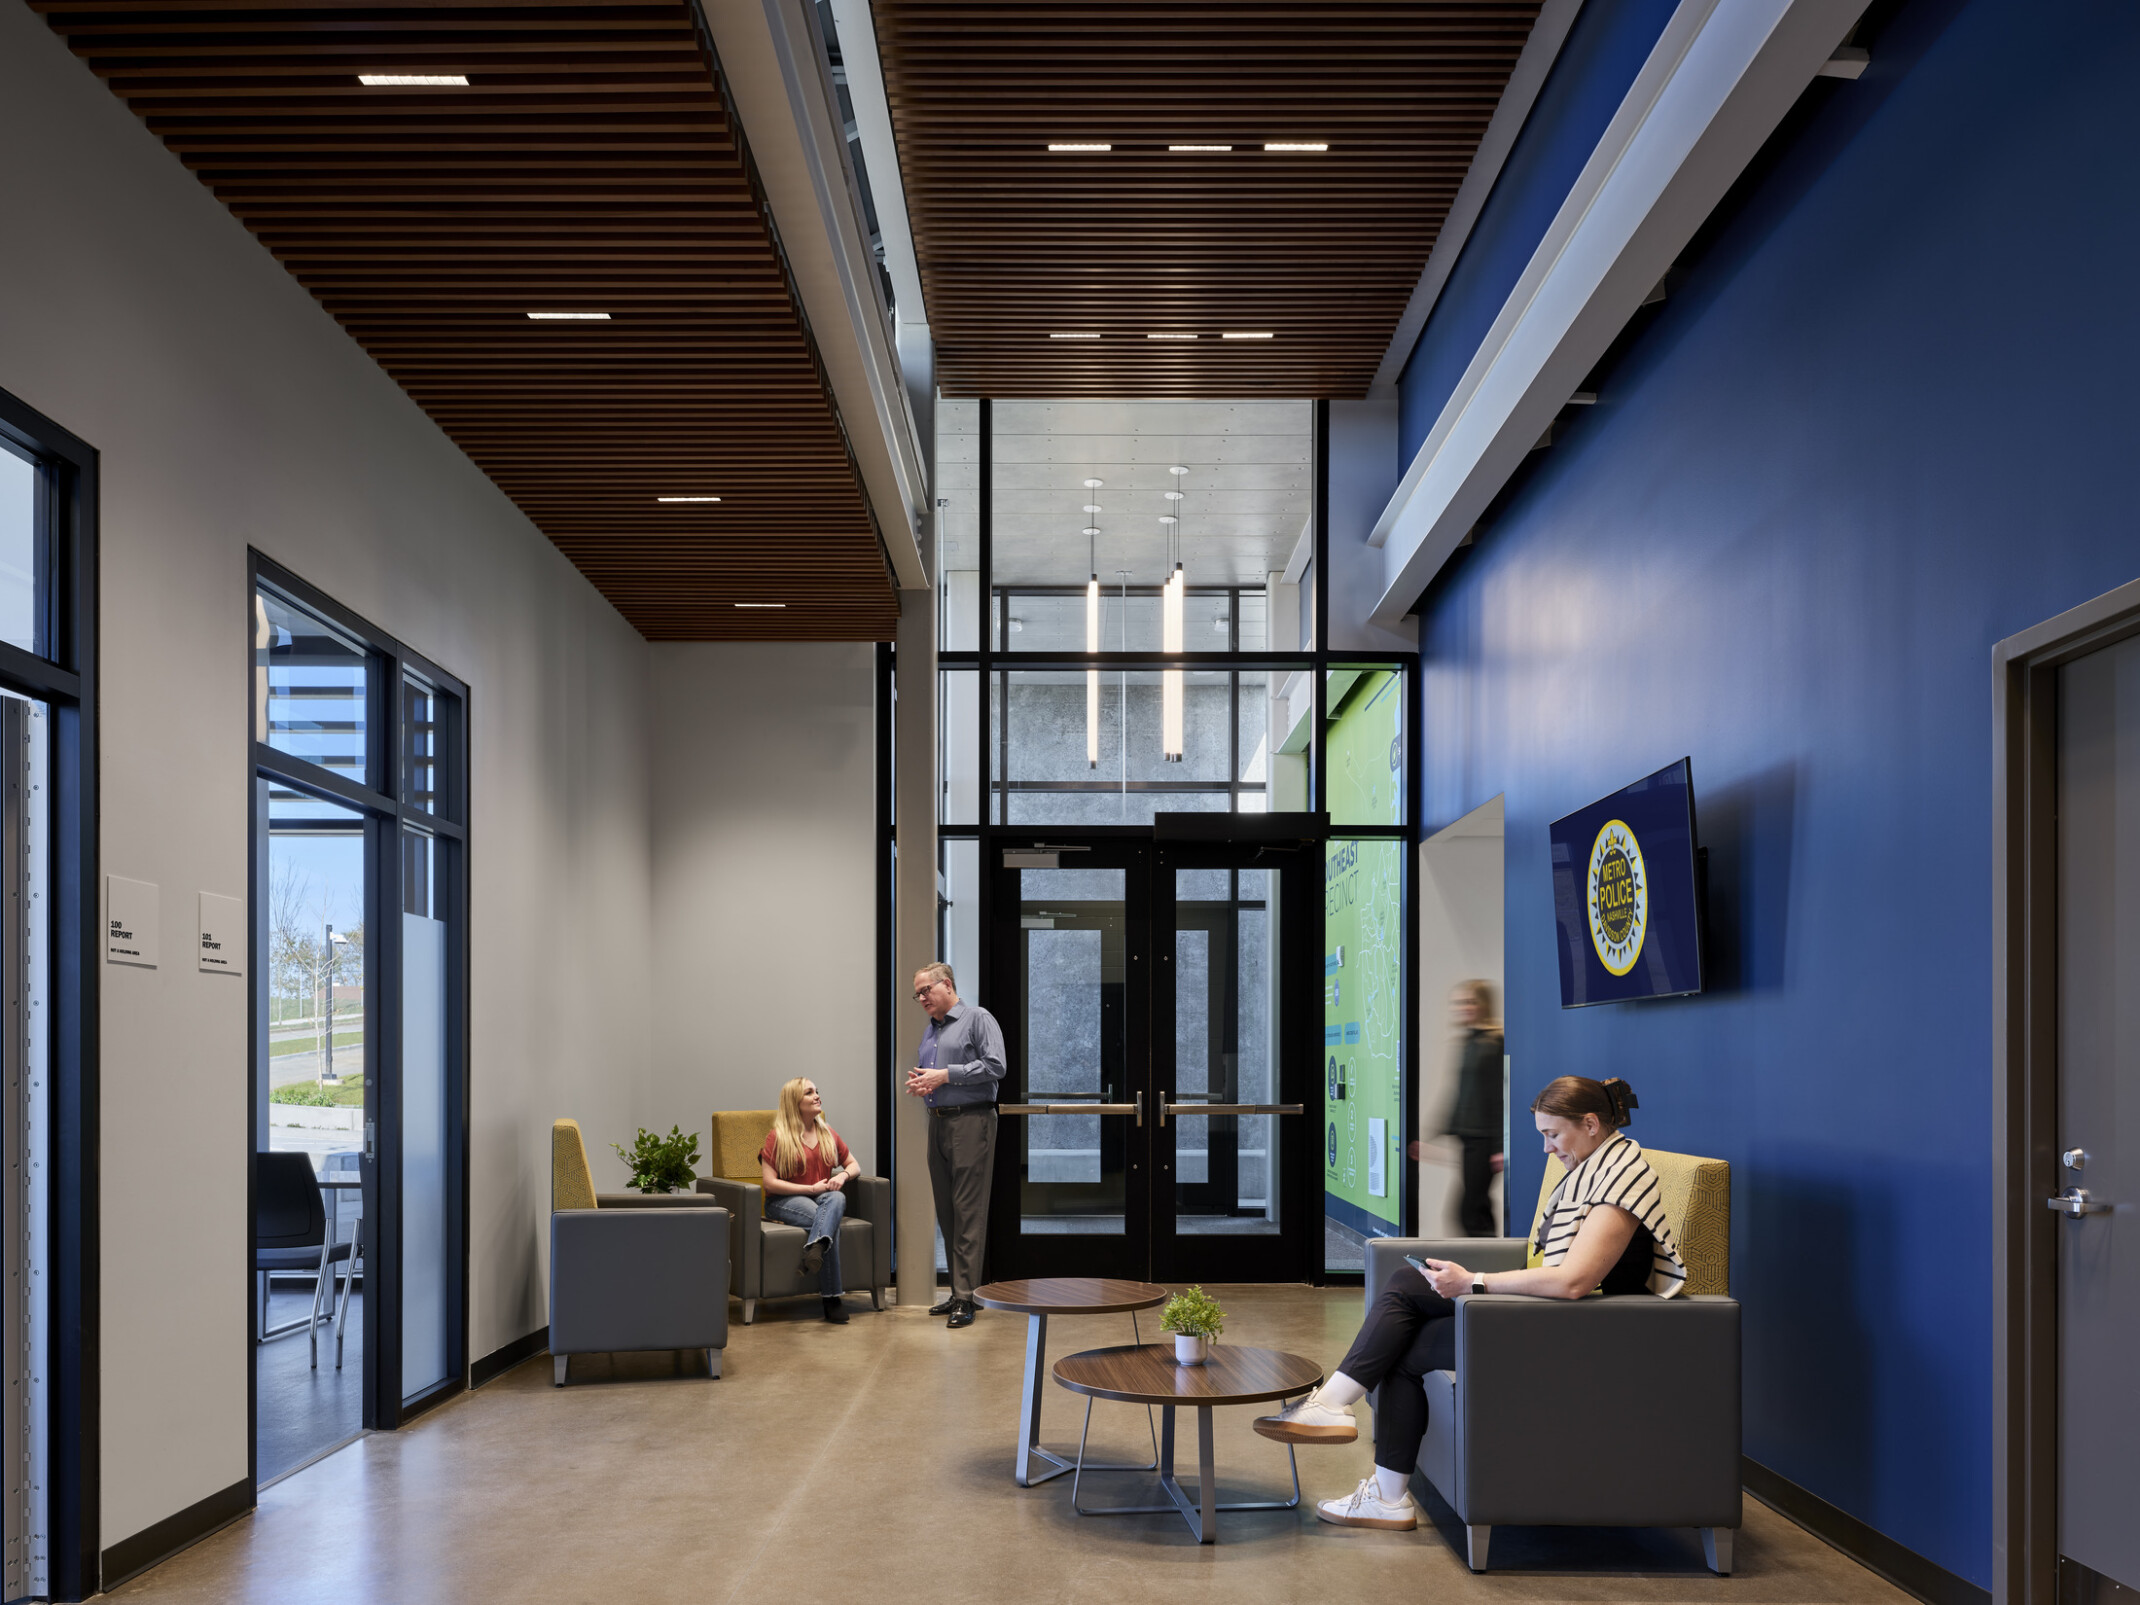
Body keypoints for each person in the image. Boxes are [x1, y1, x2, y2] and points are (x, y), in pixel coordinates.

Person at [1256, 1075, 1687, 1531]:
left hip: (1582, 1334)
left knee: (1402, 1325)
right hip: (1558, 1321)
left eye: (1552, 1134)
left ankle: (1360, 1454)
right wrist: (1468, 1282)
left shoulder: (1623, 1178)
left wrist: (1473, 1281)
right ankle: (1349, 1435)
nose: (1546, 1148)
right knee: (1406, 1295)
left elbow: (1575, 1281)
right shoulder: (1599, 1166)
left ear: (1592, 1124)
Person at [903, 960, 1006, 1329]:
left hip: (972, 1121)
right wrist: (924, 1084)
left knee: (968, 1210)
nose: (921, 998)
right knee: (947, 1211)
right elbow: (935, 1078)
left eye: (925, 990)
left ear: (946, 985)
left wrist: (946, 1075)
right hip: (939, 1124)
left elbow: (996, 1066)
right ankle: (957, 1290)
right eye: (917, 994)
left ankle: (967, 1296)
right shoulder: (931, 1031)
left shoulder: (978, 1019)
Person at [759, 1077, 862, 1324]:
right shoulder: (777, 1137)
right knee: (828, 1223)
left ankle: (814, 1251)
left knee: (837, 1196)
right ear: (795, 1102)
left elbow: (854, 1165)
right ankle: (832, 1298)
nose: (817, 1096)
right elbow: (769, 1183)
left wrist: (844, 1176)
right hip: (784, 1200)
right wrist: (809, 1188)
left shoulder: (827, 1133)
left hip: (823, 1198)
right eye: (809, 1093)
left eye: (817, 1091)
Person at [1441, 979, 1504, 1236]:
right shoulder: (1468, 1042)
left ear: (1483, 1004)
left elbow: (1500, 1097)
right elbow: (1462, 1093)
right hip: (1469, 1137)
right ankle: (1484, 1266)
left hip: (1486, 1139)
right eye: (1459, 1003)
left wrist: (1500, 1147)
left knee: (1471, 1210)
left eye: (1470, 1002)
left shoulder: (1494, 1042)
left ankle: (1486, 1270)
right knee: (1474, 1207)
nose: (1463, 1008)